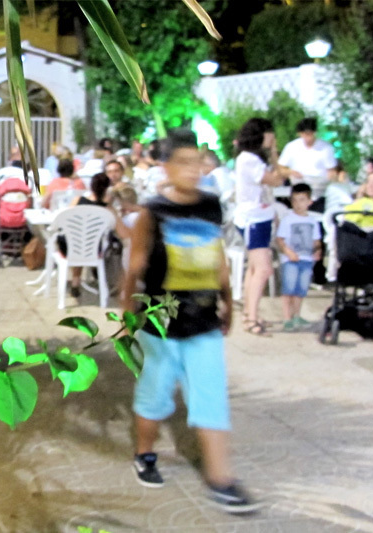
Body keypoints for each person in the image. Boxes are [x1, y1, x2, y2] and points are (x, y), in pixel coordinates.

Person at [122, 128, 259, 514]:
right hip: (159, 324)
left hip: (203, 321)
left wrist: (228, 300)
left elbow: (216, 256)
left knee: (211, 397)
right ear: (165, 167)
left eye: (197, 161)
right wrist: (127, 308)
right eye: (182, 162)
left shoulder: (211, 206)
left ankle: (221, 479)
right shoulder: (153, 211)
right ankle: (145, 452)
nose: (192, 169)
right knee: (154, 396)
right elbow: (136, 264)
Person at [233, 118, 284, 336]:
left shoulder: (249, 159)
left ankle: (249, 313)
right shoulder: (249, 160)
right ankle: (251, 317)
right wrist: (274, 152)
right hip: (253, 218)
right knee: (263, 269)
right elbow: (276, 180)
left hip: (258, 217)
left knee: (254, 269)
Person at [276, 184, 322, 332]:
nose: (298, 204)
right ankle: (287, 317)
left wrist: (317, 250)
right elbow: (280, 239)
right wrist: (288, 252)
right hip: (290, 259)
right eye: (294, 200)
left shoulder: (313, 221)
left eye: (302, 200)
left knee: (300, 290)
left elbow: (316, 240)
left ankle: (297, 314)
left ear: (309, 201)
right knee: (288, 289)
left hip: (306, 259)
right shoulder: (287, 220)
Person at [277, 117, 337, 208]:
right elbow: (280, 168)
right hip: (299, 187)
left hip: (319, 190)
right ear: (299, 134)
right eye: (305, 134)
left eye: (310, 134)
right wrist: (291, 172)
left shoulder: (326, 148)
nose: (308, 137)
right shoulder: (292, 147)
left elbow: (331, 171)